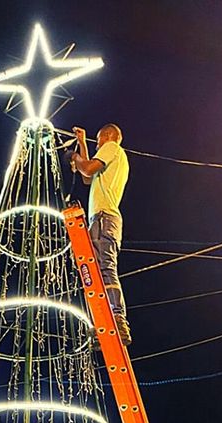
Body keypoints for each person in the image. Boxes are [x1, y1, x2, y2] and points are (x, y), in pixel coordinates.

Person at [70, 123, 131, 346]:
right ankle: (104, 322)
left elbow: (86, 169)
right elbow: (88, 177)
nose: (97, 146)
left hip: (105, 217)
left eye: (98, 141)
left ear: (107, 136)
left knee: (105, 268)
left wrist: (74, 157)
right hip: (102, 218)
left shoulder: (112, 147)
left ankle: (117, 318)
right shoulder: (113, 158)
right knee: (95, 273)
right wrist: (82, 144)